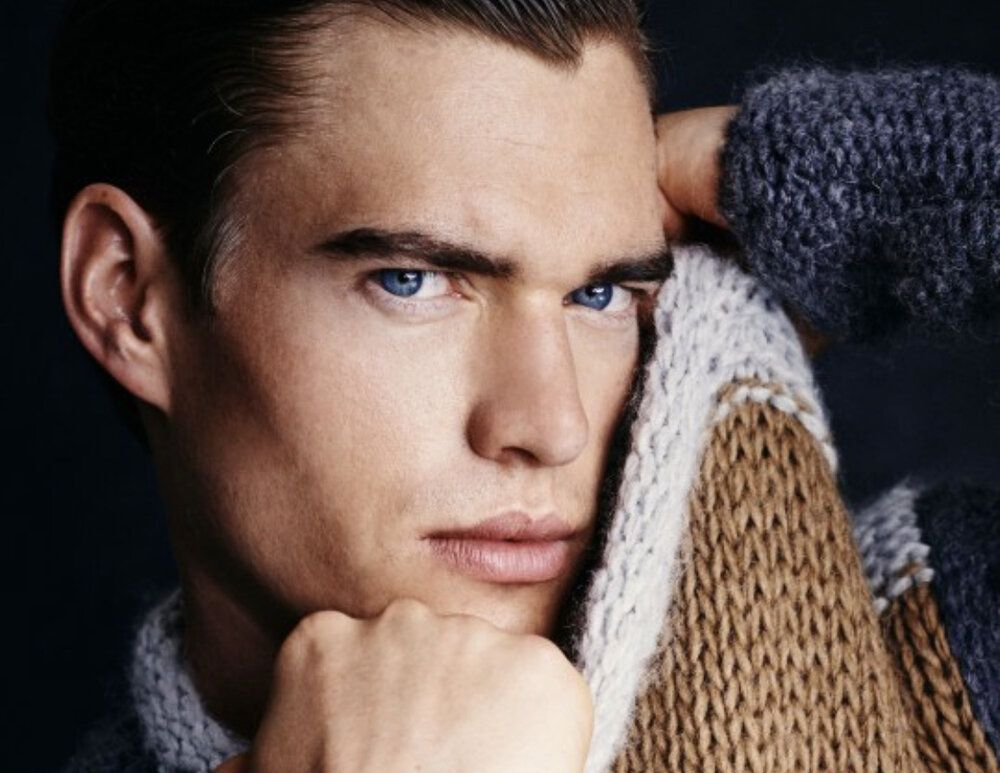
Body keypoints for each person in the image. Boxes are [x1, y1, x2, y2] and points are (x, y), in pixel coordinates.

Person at [49, 0, 997, 770]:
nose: (552, 425)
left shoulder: (920, 650)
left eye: (600, 294)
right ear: (127, 296)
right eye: (412, 281)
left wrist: (833, 181)